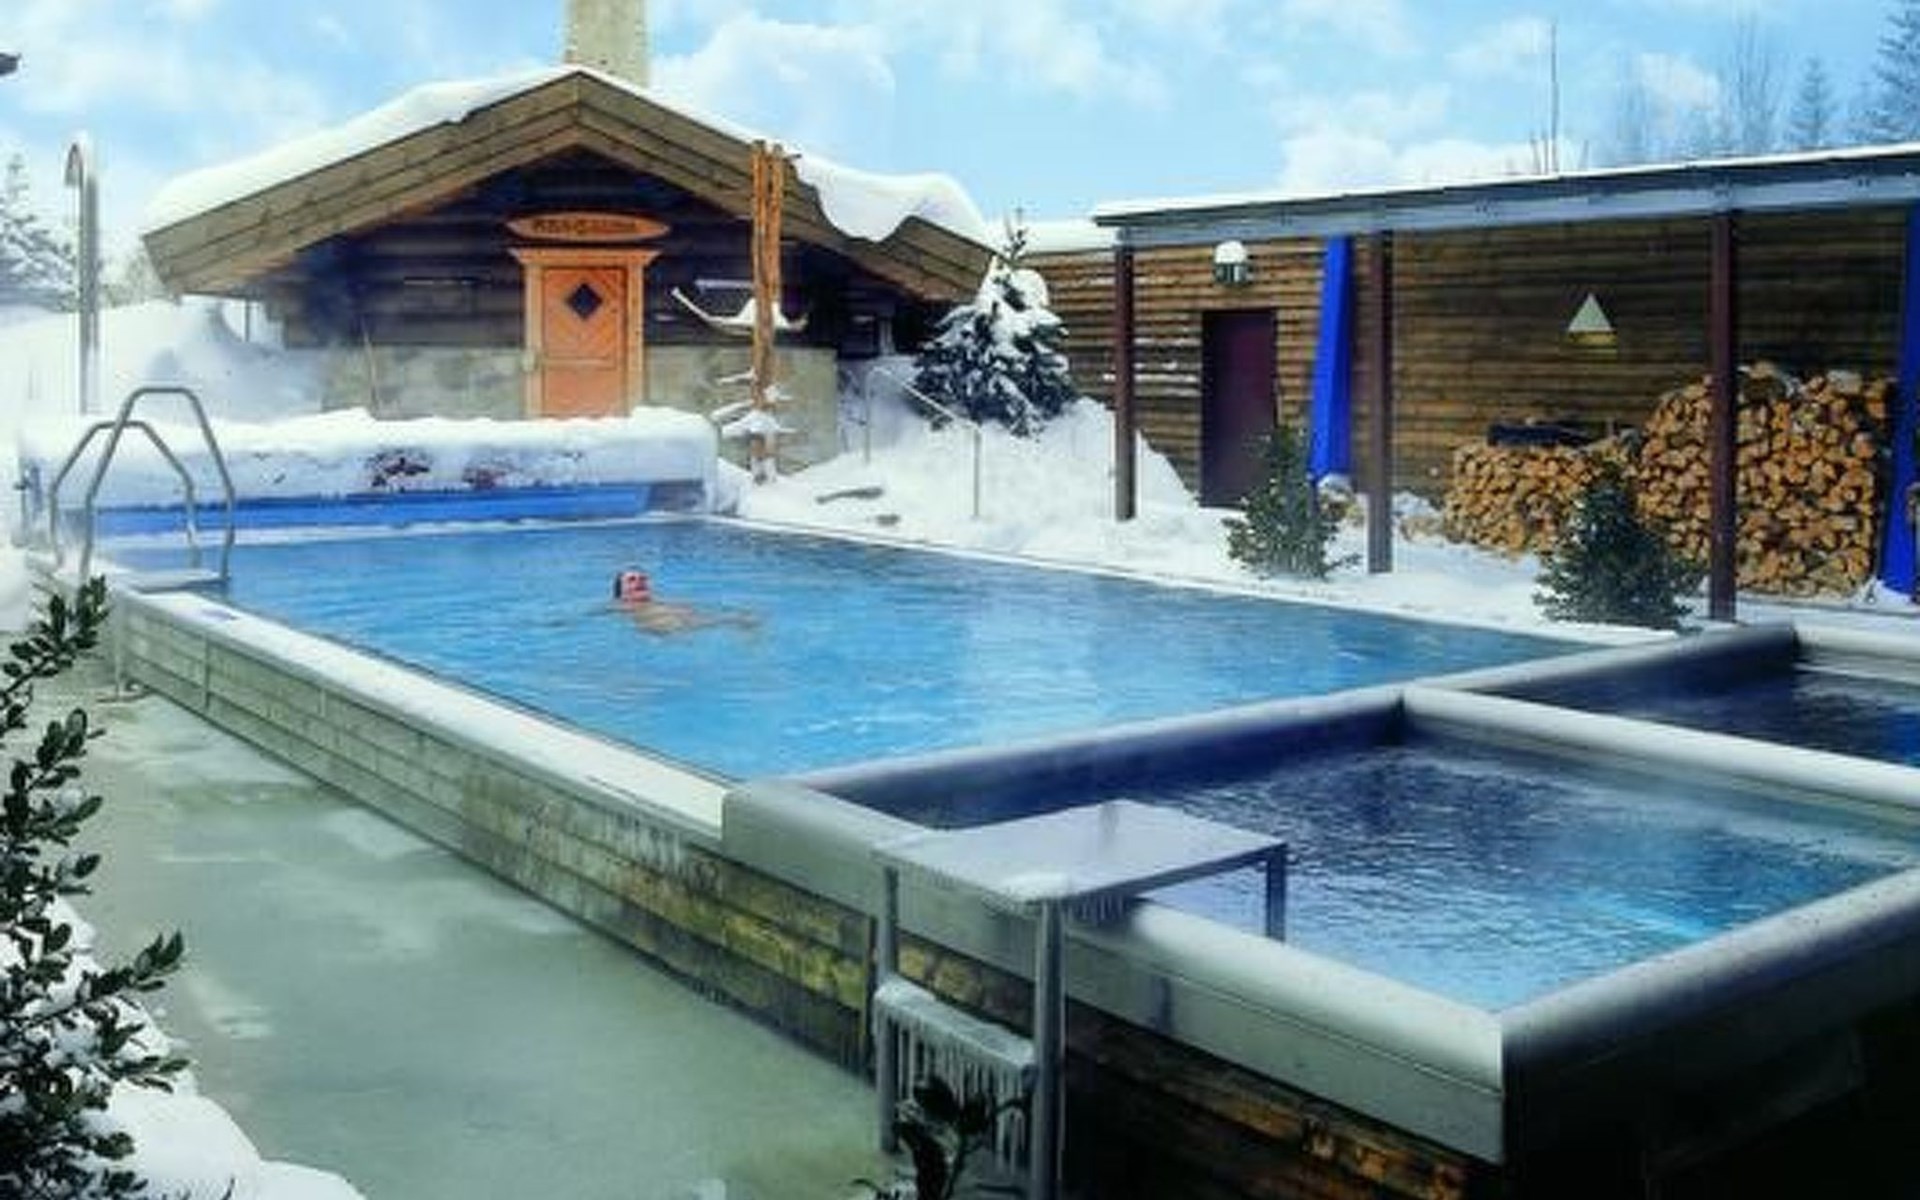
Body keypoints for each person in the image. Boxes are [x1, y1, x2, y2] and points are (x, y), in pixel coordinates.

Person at [612, 568, 755, 635]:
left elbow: (700, 612)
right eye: (632, 580)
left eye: (643, 579)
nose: (640, 582)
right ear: (621, 591)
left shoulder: (664, 601)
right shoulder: (618, 608)